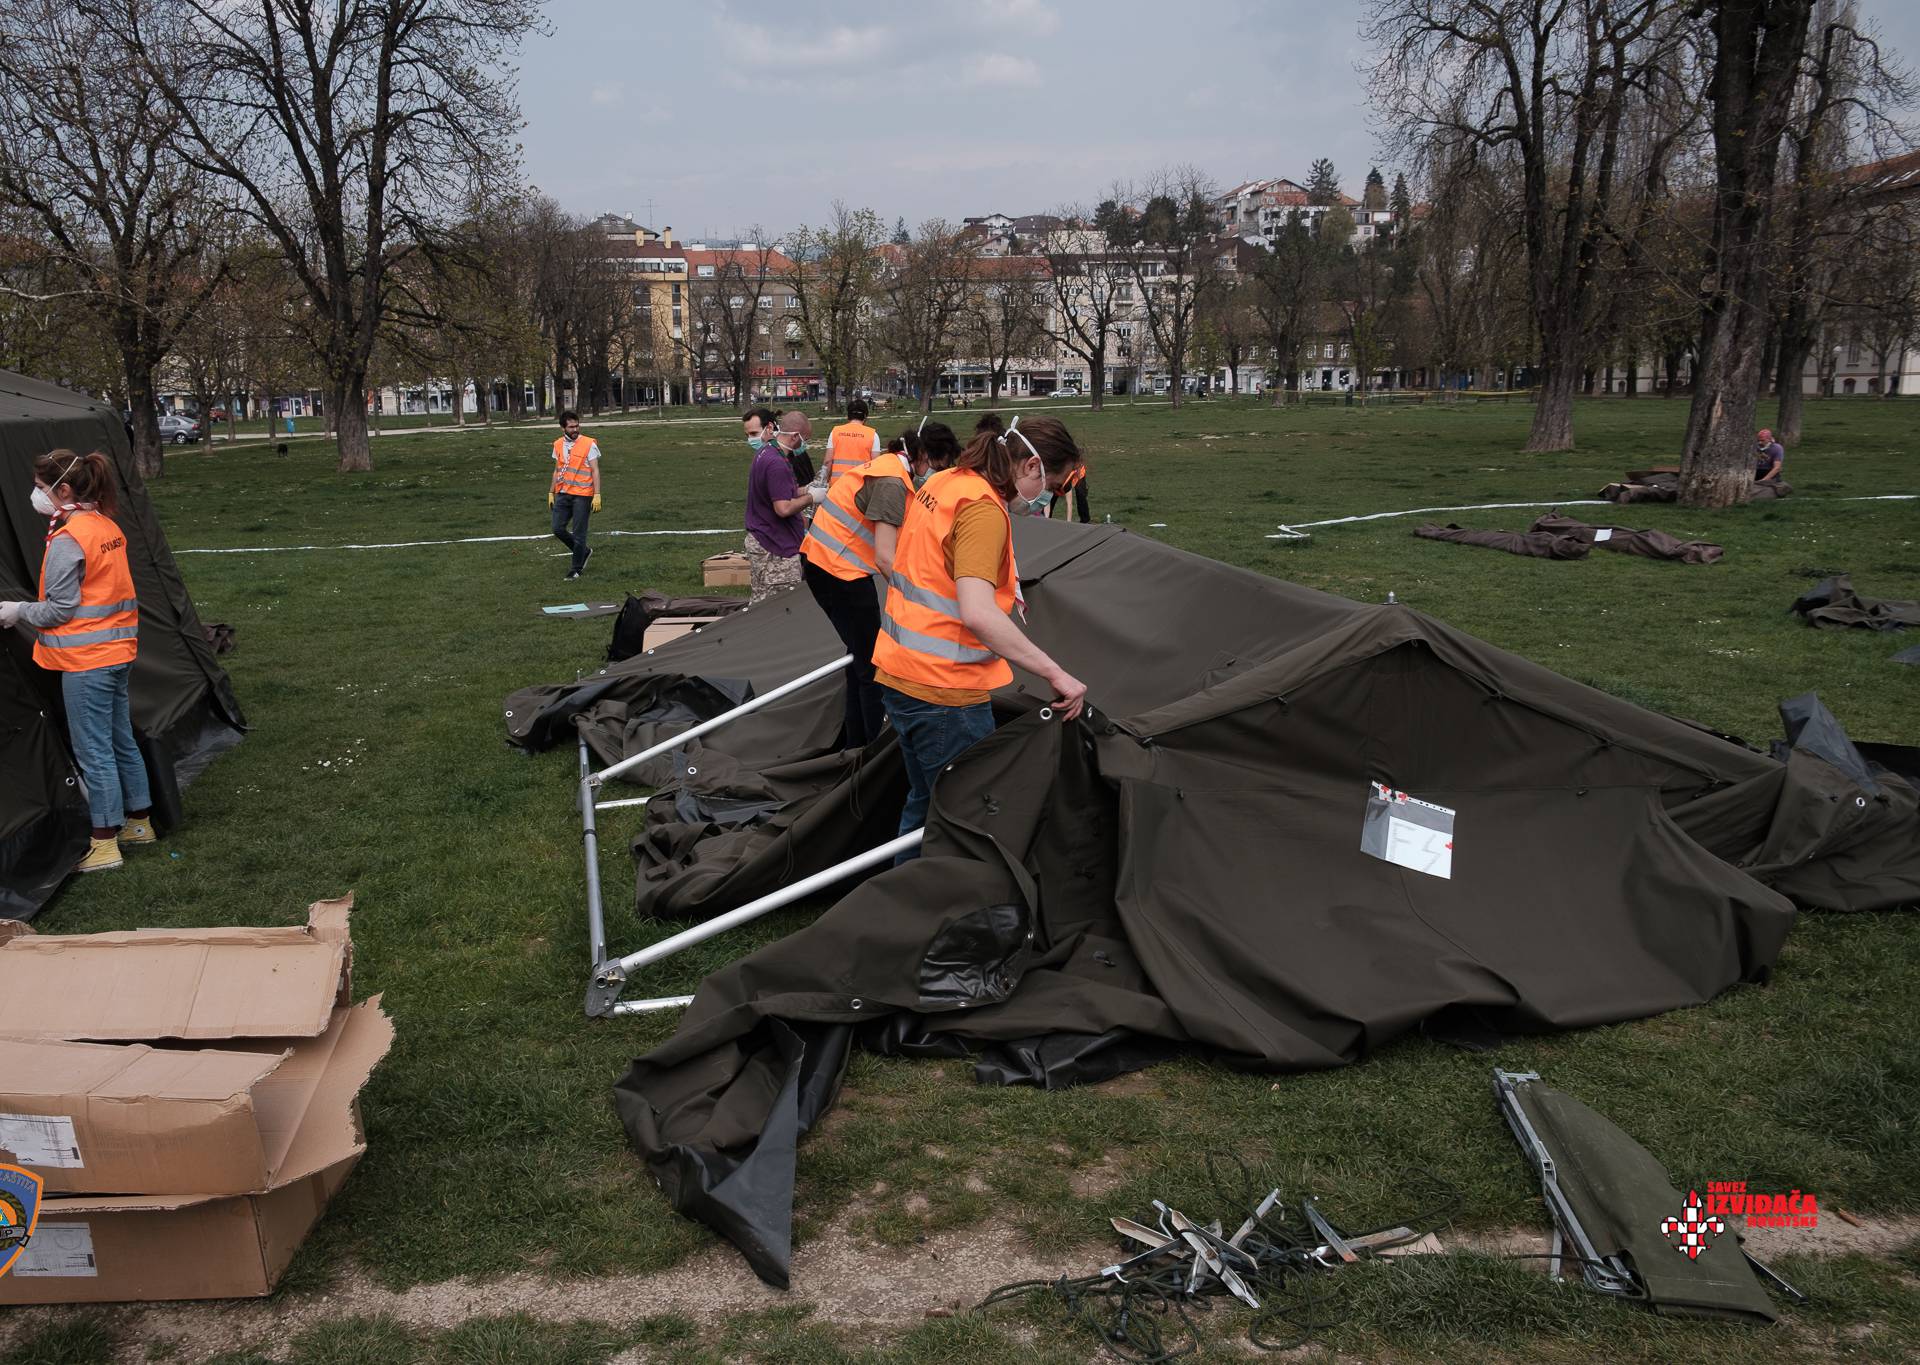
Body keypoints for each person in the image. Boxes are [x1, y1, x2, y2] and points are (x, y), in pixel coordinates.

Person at [872, 415, 1089, 861]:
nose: (1050, 497)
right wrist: (1056, 672)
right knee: (965, 819)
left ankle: (900, 901)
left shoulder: (949, 481)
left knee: (924, 805)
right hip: (944, 694)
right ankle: (943, 910)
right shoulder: (981, 510)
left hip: (899, 674)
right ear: (1031, 467)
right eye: (1057, 485)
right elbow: (977, 612)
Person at [0, 450, 153, 873]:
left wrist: (17, 610)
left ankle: (104, 842)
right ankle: (139, 823)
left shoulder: (70, 539)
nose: (37, 495)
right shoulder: (105, 526)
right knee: (120, 739)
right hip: (117, 654)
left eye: (41, 487)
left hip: (87, 661)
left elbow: (59, 610)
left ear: (63, 490)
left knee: (94, 751)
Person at [798, 426, 924, 748]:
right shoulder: (892, 482)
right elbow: (885, 556)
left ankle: (855, 742)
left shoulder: (884, 468)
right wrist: (915, 598)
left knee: (859, 658)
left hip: (827, 564)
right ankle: (872, 747)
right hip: (840, 572)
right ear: (921, 457)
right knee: (871, 666)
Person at [741, 408, 819, 602]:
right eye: (805, 439)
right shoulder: (776, 462)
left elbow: (783, 491)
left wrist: (808, 489)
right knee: (781, 606)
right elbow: (783, 508)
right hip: (774, 548)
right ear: (794, 436)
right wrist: (811, 498)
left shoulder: (768, 451)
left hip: (766, 541)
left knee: (761, 602)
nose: (804, 444)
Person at [548, 409, 602, 580]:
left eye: (577, 426)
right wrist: (551, 491)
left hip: (583, 494)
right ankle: (583, 551)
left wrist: (597, 494)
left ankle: (576, 568)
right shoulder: (557, 445)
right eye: (571, 427)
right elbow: (557, 470)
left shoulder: (589, 444)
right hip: (563, 493)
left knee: (579, 533)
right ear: (562, 428)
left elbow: (595, 470)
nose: (575, 429)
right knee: (557, 528)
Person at [823, 398, 881, 487]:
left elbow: (828, 461)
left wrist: (823, 483)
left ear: (848, 415)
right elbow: (876, 465)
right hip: (861, 488)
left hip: (837, 486)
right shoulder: (873, 435)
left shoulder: (835, 432)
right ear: (865, 416)